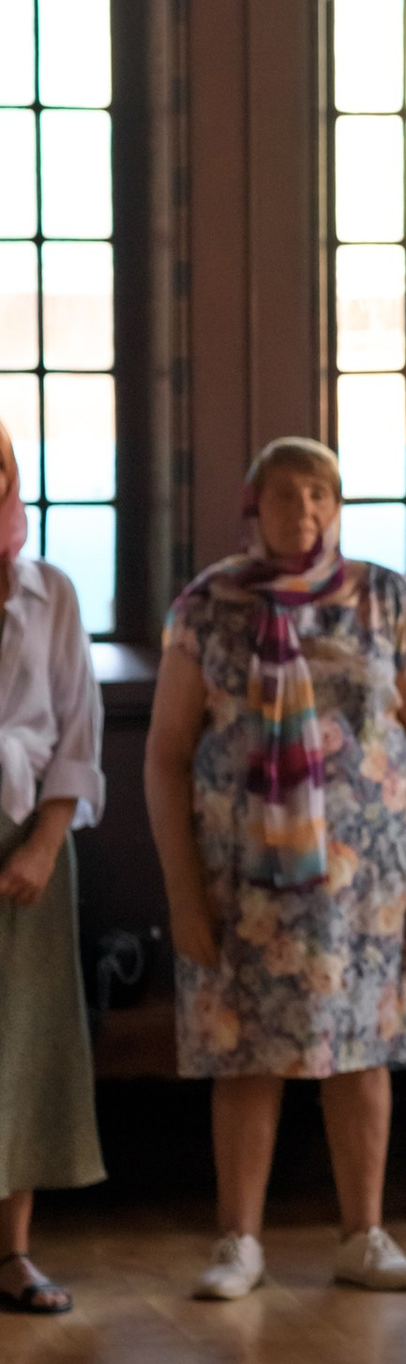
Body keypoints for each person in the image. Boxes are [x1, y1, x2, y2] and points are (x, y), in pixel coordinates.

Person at [146, 437, 406, 1302]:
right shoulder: (208, 607)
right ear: (254, 507)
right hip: (243, 883)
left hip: (367, 884)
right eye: (284, 494)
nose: (304, 511)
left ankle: (364, 1235)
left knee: (363, 1051)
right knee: (245, 1054)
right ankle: (238, 1241)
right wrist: (183, 897)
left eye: (319, 493)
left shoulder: (386, 598)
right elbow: (165, 756)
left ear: (337, 506)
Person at [0, 419, 105, 1311]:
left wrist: (43, 843)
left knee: (23, 1042)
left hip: (27, 837)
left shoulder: (50, 591)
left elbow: (77, 730)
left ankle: (14, 1252)